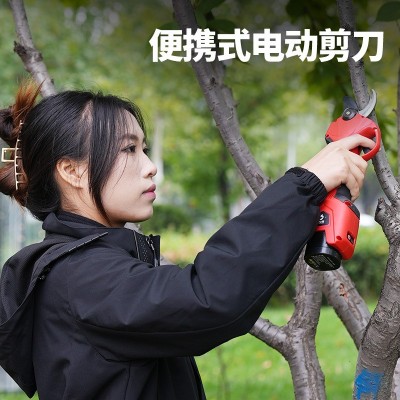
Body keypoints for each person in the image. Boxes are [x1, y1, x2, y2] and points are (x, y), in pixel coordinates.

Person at [0, 80, 375, 400]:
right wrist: (306, 184)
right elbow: (208, 296)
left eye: (144, 149)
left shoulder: (84, 268)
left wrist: (307, 199)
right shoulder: (80, 278)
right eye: (129, 149)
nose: (150, 167)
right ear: (73, 171)